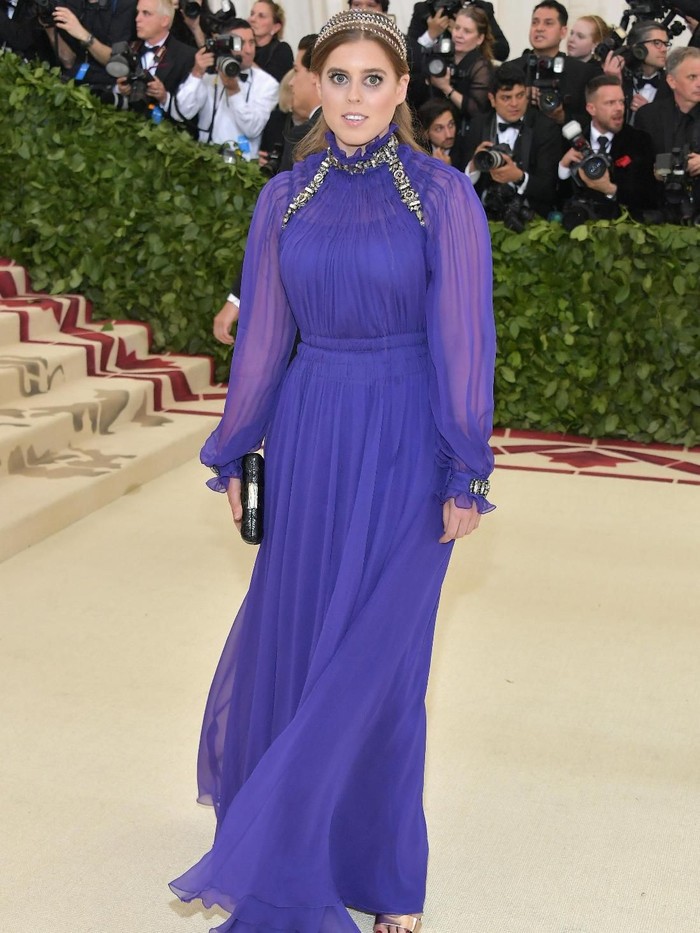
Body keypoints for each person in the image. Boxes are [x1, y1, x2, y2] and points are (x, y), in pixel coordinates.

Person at [169, 10, 495, 933]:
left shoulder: (441, 196)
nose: (354, 97)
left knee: (382, 662)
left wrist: (465, 462)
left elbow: (464, 335)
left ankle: (385, 873)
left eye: (372, 81)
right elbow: (266, 336)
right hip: (312, 434)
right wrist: (235, 442)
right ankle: (295, 847)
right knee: (308, 642)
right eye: (338, 79)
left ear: (400, 91)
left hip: (404, 434)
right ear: (313, 84)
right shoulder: (285, 196)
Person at [557, 74, 657, 227]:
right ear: (591, 108)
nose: (619, 108)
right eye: (610, 103)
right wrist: (563, 168)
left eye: (621, 102)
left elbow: (649, 195)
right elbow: (556, 197)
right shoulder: (569, 141)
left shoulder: (639, 140)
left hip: (626, 230)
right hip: (578, 231)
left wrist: (610, 189)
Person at [464, 63, 562, 219]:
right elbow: (461, 184)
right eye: (506, 98)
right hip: (482, 217)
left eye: (520, 95)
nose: (515, 104)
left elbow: (550, 189)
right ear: (492, 99)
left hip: (530, 221)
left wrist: (519, 177)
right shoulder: (478, 125)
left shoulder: (545, 128)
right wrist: (474, 166)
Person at [173, 16, 279, 154]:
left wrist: (234, 91)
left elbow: (253, 129)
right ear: (224, 44)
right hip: (206, 161)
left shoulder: (267, 84)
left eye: (252, 43)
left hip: (243, 167)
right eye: (240, 43)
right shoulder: (209, 76)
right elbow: (181, 113)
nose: (248, 50)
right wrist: (196, 74)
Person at [507, 1, 598, 126]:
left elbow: (594, 122)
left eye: (548, 23)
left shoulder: (583, 73)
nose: (539, 28)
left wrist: (562, 117)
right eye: (535, 22)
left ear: (563, 31)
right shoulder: (511, 69)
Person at [635, 45, 700, 221]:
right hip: (659, 212)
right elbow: (635, 167)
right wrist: (655, 171)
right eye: (692, 77)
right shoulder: (648, 116)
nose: (699, 83)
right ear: (672, 81)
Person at [427, 4, 495, 135]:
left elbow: (476, 110)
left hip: (465, 134)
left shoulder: (482, 67)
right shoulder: (441, 56)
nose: (459, 35)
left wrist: (446, 88)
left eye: (467, 31)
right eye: (457, 28)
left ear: (480, 39)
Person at [417, 97, 469, 169]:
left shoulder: (466, 149)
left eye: (451, 125)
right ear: (425, 134)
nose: (449, 135)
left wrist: (447, 168)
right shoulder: (417, 152)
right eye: (439, 129)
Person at [248, 0, 292, 82]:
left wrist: (244, 58)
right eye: (252, 14)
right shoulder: (244, 48)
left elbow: (272, 84)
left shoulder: (282, 49)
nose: (252, 19)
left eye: (261, 16)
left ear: (275, 27)